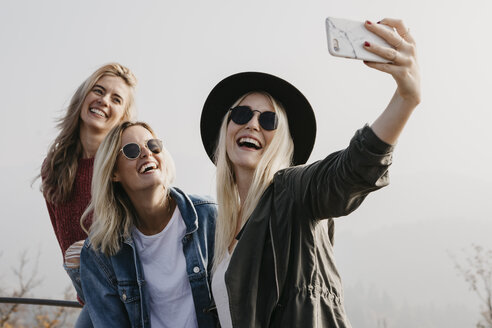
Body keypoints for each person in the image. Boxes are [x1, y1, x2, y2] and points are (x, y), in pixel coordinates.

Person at [199, 18, 420, 327]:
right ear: (227, 128)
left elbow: (349, 173)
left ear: (282, 140)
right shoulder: (218, 230)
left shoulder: (292, 191)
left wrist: (405, 100)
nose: (252, 124)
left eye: (268, 120)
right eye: (242, 114)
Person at [79, 121, 217, 328]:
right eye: (131, 150)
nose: (147, 153)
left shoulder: (209, 217)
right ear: (114, 173)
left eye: (153, 145)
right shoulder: (100, 253)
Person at [40, 63, 137, 326]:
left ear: (122, 117)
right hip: (91, 293)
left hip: (134, 295)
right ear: (83, 97)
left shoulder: (124, 167)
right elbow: (67, 250)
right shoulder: (55, 167)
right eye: (98, 90)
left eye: (116, 99)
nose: (104, 101)